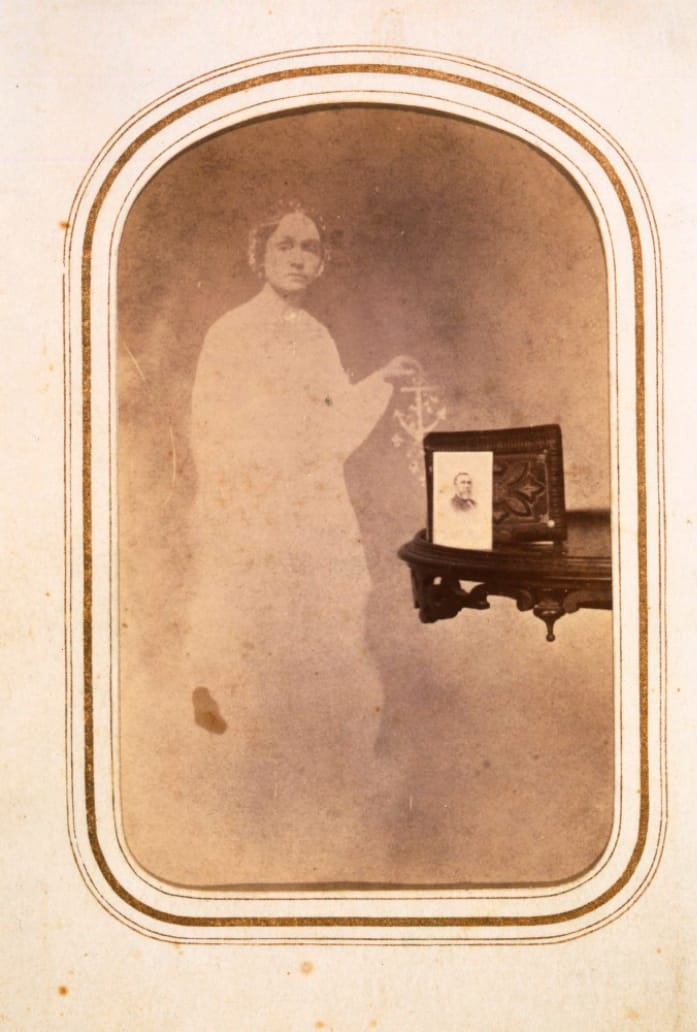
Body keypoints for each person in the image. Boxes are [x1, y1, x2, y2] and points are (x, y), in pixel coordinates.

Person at [182, 202, 417, 881]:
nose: (298, 257)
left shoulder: (315, 335)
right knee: (254, 652)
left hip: (312, 511)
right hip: (253, 516)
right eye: (285, 244)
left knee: (326, 646)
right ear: (260, 255)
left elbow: (332, 422)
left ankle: (320, 821)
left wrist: (380, 381)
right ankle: (244, 823)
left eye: (310, 248)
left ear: (321, 261)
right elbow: (212, 431)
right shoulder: (229, 333)